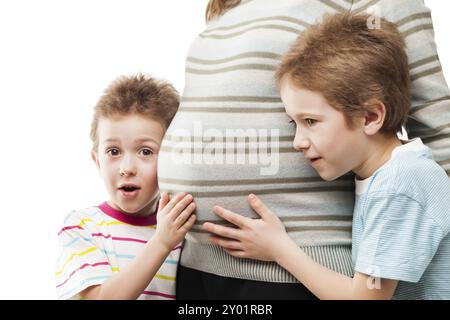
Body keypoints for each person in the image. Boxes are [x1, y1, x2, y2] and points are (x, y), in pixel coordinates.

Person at [157, 0, 450, 299]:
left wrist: (282, 251)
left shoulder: (399, 186)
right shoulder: (385, 179)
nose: (296, 141)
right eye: (292, 123)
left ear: (372, 117)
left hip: (302, 270)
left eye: (310, 121)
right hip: (203, 263)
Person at [56, 74, 196, 300]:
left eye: (145, 152)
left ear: (172, 159)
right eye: (113, 151)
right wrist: (161, 242)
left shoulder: (179, 232)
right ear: (97, 160)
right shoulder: (81, 226)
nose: (127, 168)